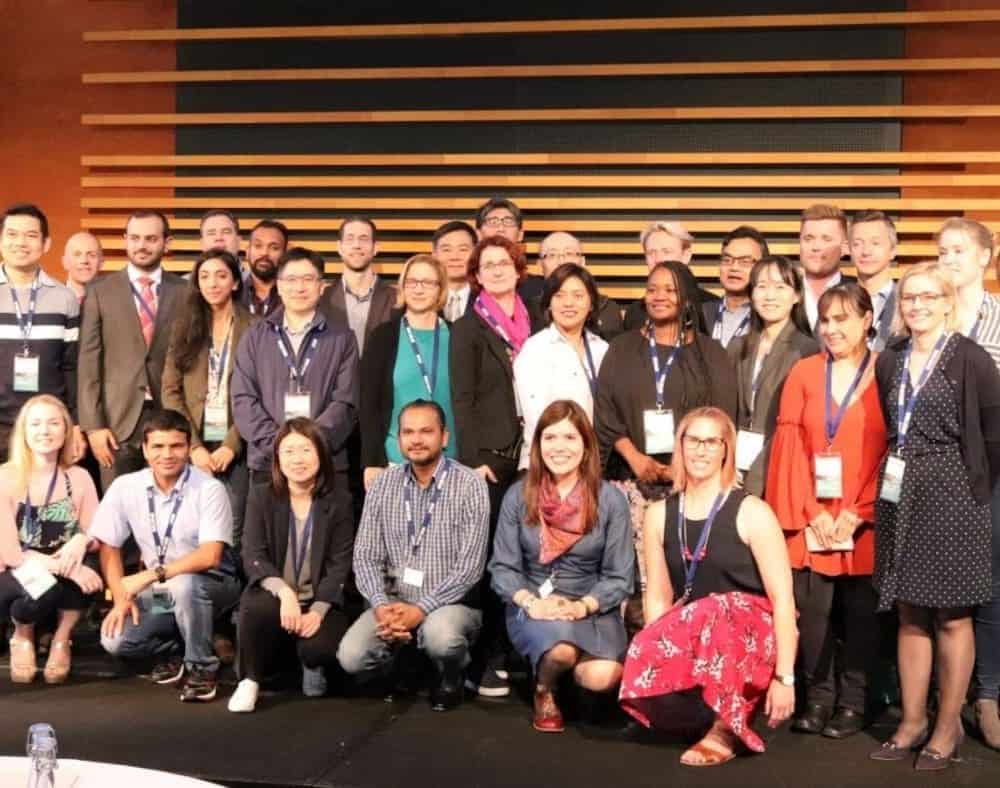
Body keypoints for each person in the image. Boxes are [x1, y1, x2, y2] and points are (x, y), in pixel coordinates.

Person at [871, 262, 1000, 769]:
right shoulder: (892, 358)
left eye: (929, 297)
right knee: (909, 611)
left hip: (955, 494)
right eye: (909, 297)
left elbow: (994, 436)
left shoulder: (971, 358)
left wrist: (973, 491)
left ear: (948, 303)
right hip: (899, 490)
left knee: (952, 615)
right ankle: (911, 721)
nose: (917, 305)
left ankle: (947, 726)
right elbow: (890, 425)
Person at [619, 407, 796, 765]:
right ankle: (700, 710)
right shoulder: (659, 514)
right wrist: (660, 650)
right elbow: (658, 596)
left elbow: (783, 601)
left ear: (726, 450)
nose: (701, 450)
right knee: (645, 643)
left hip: (748, 633)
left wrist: (786, 678)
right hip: (698, 627)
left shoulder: (753, 511)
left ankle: (725, 730)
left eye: (711, 442)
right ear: (680, 445)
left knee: (719, 609)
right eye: (693, 441)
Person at [765, 282, 886, 739]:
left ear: (867, 320)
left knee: (861, 616)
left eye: (842, 319)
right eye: (825, 320)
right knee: (813, 615)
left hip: (867, 519)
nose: (832, 329)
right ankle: (818, 696)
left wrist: (860, 511)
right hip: (812, 518)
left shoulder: (887, 371)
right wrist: (812, 511)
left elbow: (895, 451)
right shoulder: (804, 373)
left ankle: (854, 702)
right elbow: (789, 449)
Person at [595, 260, 736, 632]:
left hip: (692, 486)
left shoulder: (710, 353)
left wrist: (683, 466)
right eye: (652, 289)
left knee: (684, 580)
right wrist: (634, 457)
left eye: (670, 290)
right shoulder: (622, 348)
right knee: (634, 584)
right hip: (629, 482)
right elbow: (605, 411)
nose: (659, 296)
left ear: (687, 297)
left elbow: (720, 416)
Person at [490, 400, 634, 732]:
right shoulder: (519, 495)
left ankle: (569, 681)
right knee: (563, 650)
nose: (559, 447)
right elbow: (503, 568)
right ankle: (544, 688)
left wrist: (582, 606)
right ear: (538, 444)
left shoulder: (610, 500)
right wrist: (532, 603)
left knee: (602, 677)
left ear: (586, 447)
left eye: (570, 437)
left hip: (592, 605)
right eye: (550, 437)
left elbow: (619, 576)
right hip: (534, 603)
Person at [337, 400, 490, 712]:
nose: (416, 439)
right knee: (351, 657)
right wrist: (381, 606)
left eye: (426, 431)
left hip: (450, 604)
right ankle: (402, 663)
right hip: (393, 604)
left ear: (444, 437)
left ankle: (452, 676)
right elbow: (365, 556)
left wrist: (420, 610)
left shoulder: (470, 484)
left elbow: (470, 569)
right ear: (398, 439)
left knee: (442, 638)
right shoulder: (383, 484)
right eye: (408, 432)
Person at [91, 409, 241, 703]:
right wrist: (121, 598)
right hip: (162, 592)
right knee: (114, 639)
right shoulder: (126, 487)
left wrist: (150, 575)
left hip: (214, 584)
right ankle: (180, 651)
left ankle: (201, 669)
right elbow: (108, 544)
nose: (167, 454)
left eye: (176, 446)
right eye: (158, 446)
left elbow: (210, 556)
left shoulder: (209, 488)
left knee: (184, 585)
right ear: (145, 449)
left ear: (188, 448)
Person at [450, 234, 543, 697]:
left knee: (529, 554)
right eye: (487, 265)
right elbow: (461, 399)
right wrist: (471, 460)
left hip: (533, 454)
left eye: (504, 262)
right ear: (476, 275)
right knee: (492, 559)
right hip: (489, 460)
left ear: (518, 268)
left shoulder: (537, 319)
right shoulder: (468, 328)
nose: (497, 270)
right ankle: (486, 658)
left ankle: (522, 650)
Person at [229, 419, 354, 712]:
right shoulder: (261, 495)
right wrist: (285, 593)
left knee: (319, 648)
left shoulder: (340, 500)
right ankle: (250, 680)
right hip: (276, 595)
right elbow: (253, 553)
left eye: (306, 450)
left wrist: (319, 610)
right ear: (277, 458)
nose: (298, 459)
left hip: (318, 598)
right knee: (254, 606)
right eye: (289, 451)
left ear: (321, 454)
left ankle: (309, 661)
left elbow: (340, 562)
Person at [937, 218, 1000, 747]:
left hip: (991, 472)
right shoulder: (923, 313)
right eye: (942, 251)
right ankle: (943, 702)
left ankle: (989, 694)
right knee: (937, 593)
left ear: (986, 257)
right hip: (934, 474)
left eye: (960, 250)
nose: (950, 259)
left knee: (990, 584)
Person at [231, 247, 359, 487]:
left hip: (327, 463)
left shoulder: (343, 338)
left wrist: (311, 446)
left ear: (321, 286)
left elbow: (346, 402)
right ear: (279, 286)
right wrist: (281, 446)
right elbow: (243, 399)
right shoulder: (254, 337)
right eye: (291, 279)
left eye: (308, 279)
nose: (300, 287)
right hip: (267, 464)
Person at [78, 210, 185, 489]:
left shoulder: (185, 291)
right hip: (116, 423)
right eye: (135, 238)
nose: (141, 245)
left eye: (151, 238)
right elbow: (89, 362)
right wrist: (93, 426)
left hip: (169, 416)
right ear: (125, 240)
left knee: (169, 503)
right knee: (119, 508)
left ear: (167, 242)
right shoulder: (100, 290)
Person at [0, 395, 102, 684]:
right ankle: (22, 634)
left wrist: (81, 541)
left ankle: (61, 637)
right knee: (44, 587)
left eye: (54, 423)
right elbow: (10, 553)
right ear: (24, 431)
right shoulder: (5, 477)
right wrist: (67, 569)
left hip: (63, 560)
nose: (44, 431)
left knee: (93, 569)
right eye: (36, 424)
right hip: (18, 567)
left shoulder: (79, 477)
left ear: (66, 430)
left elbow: (96, 531)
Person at [162, 250, 254, 559]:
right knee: (191, 527)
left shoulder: (255, 327)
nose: (212, 283)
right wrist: (194, 447)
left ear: (235, 283)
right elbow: (171, 391)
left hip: (237, 442)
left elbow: (258, 393)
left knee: (235, 528)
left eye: (221, 275)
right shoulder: (184, 326)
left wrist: (231, 444)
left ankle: (231, 587)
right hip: (193, 440)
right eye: (204, 276)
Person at [361, 254, 457, 491]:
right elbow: (368, 404)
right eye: (412, 282)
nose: (418, 289)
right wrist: (372, 460)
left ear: (441, 289)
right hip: (396, 459)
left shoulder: (459, 336)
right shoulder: (383, 336)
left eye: (427, 282)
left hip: (451, 459)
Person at [0, 204, 84, 463]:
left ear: (46, 244)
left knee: (48, 490)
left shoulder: (64, 298)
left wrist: (75, 424)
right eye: (12, 234)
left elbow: (71, 367)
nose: (20, 243)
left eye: (31, 235)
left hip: (47, 429)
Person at [727, 256, 817, 497]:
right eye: (762, 287)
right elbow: (726, 410)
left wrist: (756, 477)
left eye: (780, 287)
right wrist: (726, 464)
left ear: (796, 296)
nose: (769, 296)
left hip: (779, 468)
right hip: (733, 469)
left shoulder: (806, 350)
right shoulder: (737, 346)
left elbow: (794, 424)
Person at [514, 264, 609, 470]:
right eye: (559, 295)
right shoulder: (534, 349)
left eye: (578, 295)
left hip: (593, 461)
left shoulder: (602, 349)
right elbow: (535, 418)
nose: (568, 303)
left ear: (591, 303)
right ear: (549, 303)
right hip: (547, 461)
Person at [317, 216, 395, 358]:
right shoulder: (322, 298)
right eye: (350, 239)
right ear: (339, 247)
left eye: (364, 239)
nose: (356, 245)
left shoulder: (396, 299)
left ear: (376, 247)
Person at [624, 221, 718, 330]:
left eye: (666, 252)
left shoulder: (712, 308)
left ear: (686, 256)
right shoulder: (635, 312)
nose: (658, 259)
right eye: (651, 253)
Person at [537, 232, 623, 340]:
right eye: (552, 255)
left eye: (568, 253)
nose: (561, 261)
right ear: (540, 264)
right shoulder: (528, 311)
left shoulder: (607, 309)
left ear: (582, 262)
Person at [703, 226, 767, 348]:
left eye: (745, 262)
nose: (734, 267)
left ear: (763, 267)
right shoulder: (701, 314)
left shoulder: (769, 317)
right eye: (727, 260)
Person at [474, 196, 546, 303]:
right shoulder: (467, 288)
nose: (501, 229)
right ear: (479, 234)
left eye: (508, 222)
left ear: (520, 235)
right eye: (493, 222)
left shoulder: (539, 289)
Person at [799, 204, 855, 331]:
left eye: (826, 239)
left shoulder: (857, 292)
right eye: (808, 239)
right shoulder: (784, 291)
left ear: (845, 247)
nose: (816, 247)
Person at [850, 210, 897, 351]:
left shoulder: (907, 301)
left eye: (875, 243)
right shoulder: (838, 301)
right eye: (857, 244)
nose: (866, 251)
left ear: (893, 250)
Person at [242, 219, 288, 318]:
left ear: (285, 254)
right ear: (247, 252)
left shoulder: (295, 294)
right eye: (258, 246)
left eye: (274, 248)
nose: (264, 253)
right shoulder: (232, 293)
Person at [434, 220, 477, 323]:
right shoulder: (422, 297)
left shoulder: (487, 300)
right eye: (446, 250)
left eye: (463, 249)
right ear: (434, 255)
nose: (454, 257)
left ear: (476, 253)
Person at [61, 231, 103, 303]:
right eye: (77, 254)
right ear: (65, 262)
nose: (84, 260)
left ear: (101, 262)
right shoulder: (49, 300)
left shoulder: (114, 301)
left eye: (92, 255)